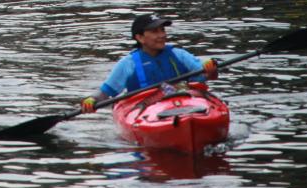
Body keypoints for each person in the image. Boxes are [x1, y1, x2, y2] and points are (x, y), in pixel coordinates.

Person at [81, 14, 216, 114]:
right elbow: (106, 93)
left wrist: (210, 69)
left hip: (183, 98)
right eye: (155, 31)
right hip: (145, 108)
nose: (162, 35)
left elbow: (206, 76)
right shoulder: (128, 63)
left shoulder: (178, 54)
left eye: (162, 30)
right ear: (140, 38)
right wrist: (91, 100)